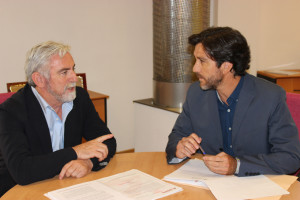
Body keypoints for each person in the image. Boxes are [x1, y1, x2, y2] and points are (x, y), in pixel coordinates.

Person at [166, 27, 300, 177]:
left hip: (257, 187)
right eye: (195, 60)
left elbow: (290, 157)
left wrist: (237, 165)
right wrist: (179, 147)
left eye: (202, 61)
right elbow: (176, 136)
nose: (195, 68)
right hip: (210, 185)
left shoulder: (270, 96)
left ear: (226, 66)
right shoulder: (196, 93)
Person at [0, 41, 117, 197]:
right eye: (64, 72)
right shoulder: (11, 110)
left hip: (65, 185)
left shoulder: (79, 98)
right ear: (39, 79)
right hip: (20, 191)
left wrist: (88, 162)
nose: (74, 77)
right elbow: (22, 171)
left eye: (73, 69)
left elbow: (108, 140)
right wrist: (76, 152)